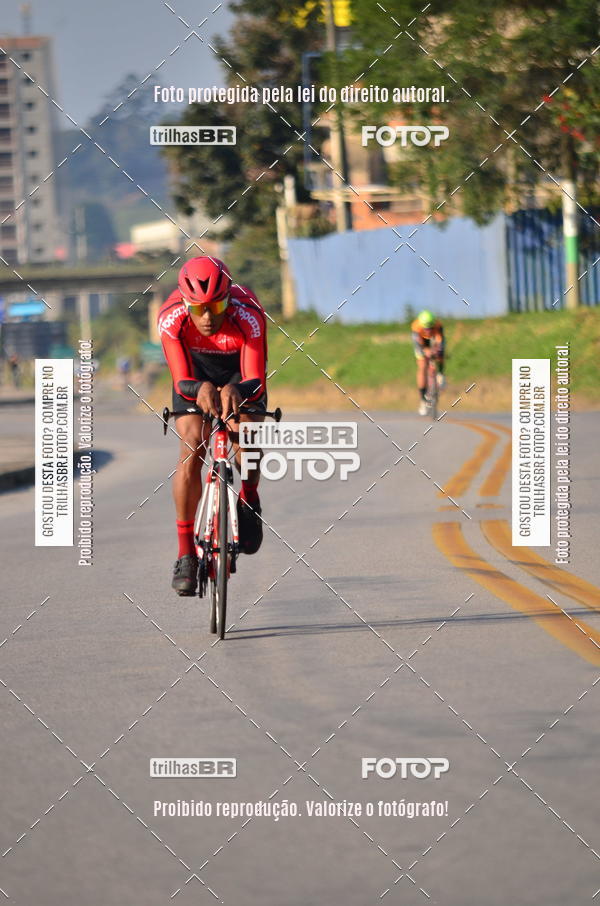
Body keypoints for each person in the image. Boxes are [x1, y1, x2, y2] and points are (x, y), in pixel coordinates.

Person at [158, 255, 268, 596]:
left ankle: (249, 498)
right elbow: (180, 381)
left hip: (240, 374)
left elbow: (256, 380)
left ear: (228, 299)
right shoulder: (171, 317)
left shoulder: (248, 315)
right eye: (198, 309)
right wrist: (200, 388)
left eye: (216, 307)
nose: (207, 317)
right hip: (195, 375)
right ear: (185, 303)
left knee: (246, 439)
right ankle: (186, 554)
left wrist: (237, 390)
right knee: (192, 446)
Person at [411, 310, 445, 415]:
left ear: (434, 324)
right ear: (422, 325)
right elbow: (418, 346)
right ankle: (423, 399)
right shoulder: (416, 327)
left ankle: (441, 374)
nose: (428, 330)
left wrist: (438, 351)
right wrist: (426, 351)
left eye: (430, 327)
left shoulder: (438, 325)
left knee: (440, 354)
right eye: (426, 328)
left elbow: (441, 342)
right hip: (421, 342)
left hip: (435, 338)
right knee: (422, 365)